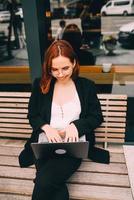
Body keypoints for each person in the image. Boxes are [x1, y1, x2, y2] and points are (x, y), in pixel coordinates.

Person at [19, 40, 110, 200]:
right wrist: (46, 127)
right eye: (54, 69)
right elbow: (33, 116)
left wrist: (77, 126)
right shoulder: (41, 85)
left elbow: (96, 117)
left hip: (72, 147)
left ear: (74, 63)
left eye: (65, 68)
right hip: (44, 144)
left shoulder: (86, 86)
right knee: (47, 182)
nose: (60, 74)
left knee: (44, 181)